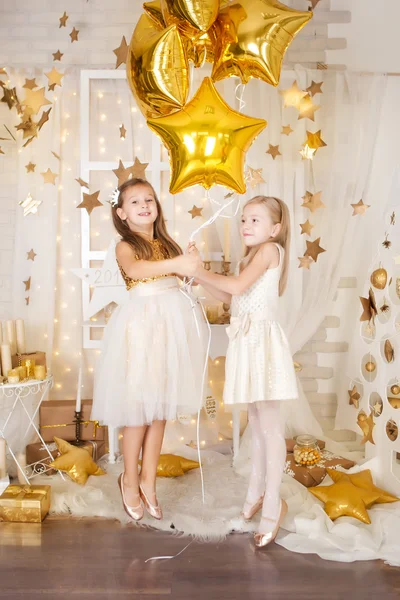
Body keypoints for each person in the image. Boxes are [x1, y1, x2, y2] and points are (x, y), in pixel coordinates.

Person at [91, 177, 206, 522]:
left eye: (150, 200)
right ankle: (128, 478)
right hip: (142, 329)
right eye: (136, 202)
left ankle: (148, 482)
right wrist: (176, 265)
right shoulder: (126, 245)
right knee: (140, 409)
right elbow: (136, 270)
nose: (145, 206)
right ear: (122, 213)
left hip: (170, 328)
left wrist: (190, 269)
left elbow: (178, 280)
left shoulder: (168, 244)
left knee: (160, 412)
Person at [192, 195, 297, 548]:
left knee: (269, 428)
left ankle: (272, 503)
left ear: (275, 228)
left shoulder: (270, 251)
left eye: (255, 220)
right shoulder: (248, 258)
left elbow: (236, 288)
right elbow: (230, 298)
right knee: (256, 423)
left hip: (262, 345)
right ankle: (254, 496)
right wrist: (195, 280)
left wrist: (198, 270)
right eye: (244, 220)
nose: (246, 226)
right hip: (246, 343)